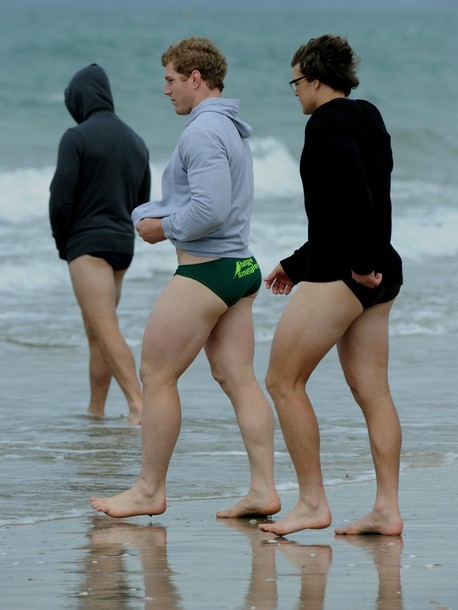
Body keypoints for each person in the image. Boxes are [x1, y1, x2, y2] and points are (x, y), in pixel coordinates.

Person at [91, 38, 280, 519]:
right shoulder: (232, 129)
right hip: (240, 268)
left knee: (156, 376)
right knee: (238, 379)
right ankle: (263, 489)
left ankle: (149, 491)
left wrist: (161, 227)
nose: (166, 90)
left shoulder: (201, 133)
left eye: (171, 80)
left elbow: (210, 210)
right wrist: (162, 211)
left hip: (208, 272)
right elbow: (216, 201)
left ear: (196, 77)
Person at [258, 35, 404, 537]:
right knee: (374, 392)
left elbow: (352, 197)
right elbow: (360, 200)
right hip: (380, 272)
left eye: (296, 81)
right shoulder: (369, 115)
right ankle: (386, 509)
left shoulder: (324, 125)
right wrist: (297, 264)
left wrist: (358, 263)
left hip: (351, 271)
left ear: (316, 79)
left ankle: (312, 503)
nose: (295, 91)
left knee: (282, 380)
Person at [49, 64, 151, 425]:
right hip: (122, 246)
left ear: (78, 101)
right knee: (97, 331)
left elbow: (60, 200)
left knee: (104, 327)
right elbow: (143, 203)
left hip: (86, 245)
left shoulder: (76, 137)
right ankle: (97, 410)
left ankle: (139, 404)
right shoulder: (136, 142)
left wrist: (65, 244)